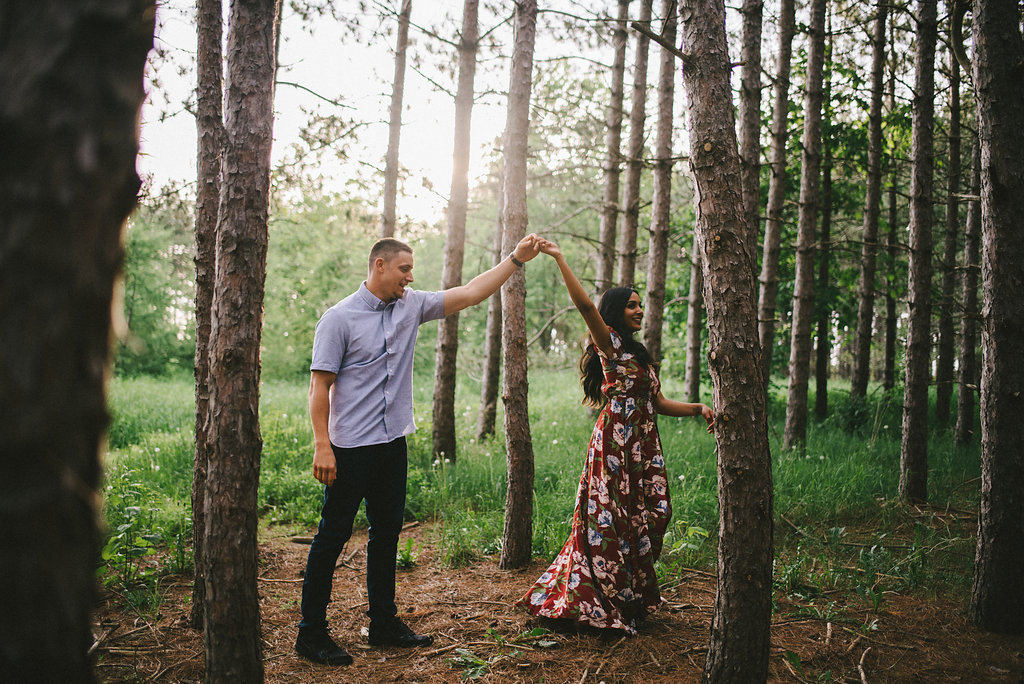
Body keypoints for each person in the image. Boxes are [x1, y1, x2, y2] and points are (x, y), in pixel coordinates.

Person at [296, 234, 542, 666]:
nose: (411, 277)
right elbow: (320, 386)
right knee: (332, 537)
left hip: (392, 444)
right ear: (379, 266)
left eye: (411, 270)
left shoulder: (411, 305)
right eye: (404, 269)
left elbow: (469, 293)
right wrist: (323, 446)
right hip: (349, 447)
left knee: (386, 534)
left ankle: (383, 624)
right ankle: (310, 633)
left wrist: (514, 261)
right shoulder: (338, 319)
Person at [516, 239, 714, 635]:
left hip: (642, 448)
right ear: (615, 312)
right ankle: (602, 598)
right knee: (611, 521)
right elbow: (586, 307)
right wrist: (559, 258)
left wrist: (698, 409)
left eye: (640, 305)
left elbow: (656, 402)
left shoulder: (638, 353)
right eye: (631, 305)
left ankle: (629, 593)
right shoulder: (608, 345)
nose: (639, 310)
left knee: (653, 514)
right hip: (613, 447)